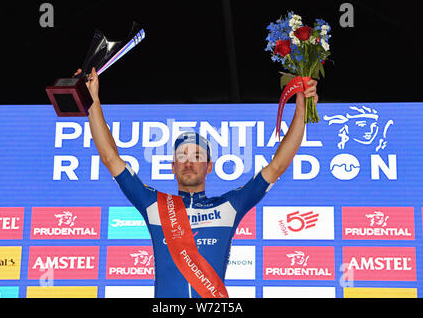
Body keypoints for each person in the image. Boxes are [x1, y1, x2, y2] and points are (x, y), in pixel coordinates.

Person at [74, 67, 318, 298]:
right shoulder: (154, 204)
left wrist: (300, 108)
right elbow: (110, 158)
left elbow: (278, 165)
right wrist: (93, 99)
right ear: (172, 167)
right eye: (181, 156)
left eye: (197, 156)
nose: (188, 162)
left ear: (209, 166)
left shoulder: (229, 205)